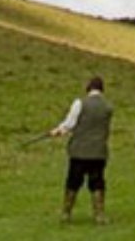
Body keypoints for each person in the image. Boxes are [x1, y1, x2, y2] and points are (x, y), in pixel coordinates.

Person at [51, 75, 113, 225]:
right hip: (99, 151)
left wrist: (58, 131)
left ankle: (66, 213)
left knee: (73, 181)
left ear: (88, 88)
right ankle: (99, 215)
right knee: (97, 182)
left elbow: (70, 123)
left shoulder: (80, 103)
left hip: (79, 151)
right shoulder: (108, 106)